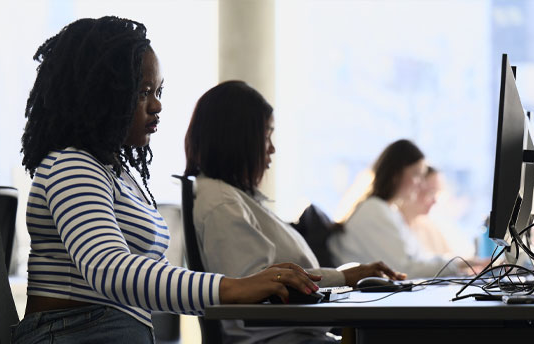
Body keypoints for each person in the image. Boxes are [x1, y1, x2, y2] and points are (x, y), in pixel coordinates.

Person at [13, 17, 320, 344]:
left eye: (158, 91)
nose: (157, 105)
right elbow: (109, 269)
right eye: (143, 92)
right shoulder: (71, 165)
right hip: (75, 334)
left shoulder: (111, 173)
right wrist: (233, 287)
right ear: (103, 94)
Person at [184, 80, 406, 344]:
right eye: (266, 135)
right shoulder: (222, 204)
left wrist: (347, 277)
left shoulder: (233, 198)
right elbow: (260, 289)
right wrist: (346, 277)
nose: (272, 148)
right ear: (238, 138)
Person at [328, 139, 468, 279]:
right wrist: (458, 264)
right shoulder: (374, 210)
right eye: (416, 174)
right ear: (396, 174)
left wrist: (460, 263)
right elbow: (404, 270)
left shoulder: (390, 211)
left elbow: (418, 260)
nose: (421, 184)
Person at [400, 166, 454, 256]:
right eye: (431, 192)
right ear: (414, 187)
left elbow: (453, 259)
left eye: (436, 193)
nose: (434, 201)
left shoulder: (429, 226)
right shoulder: (392, 225)